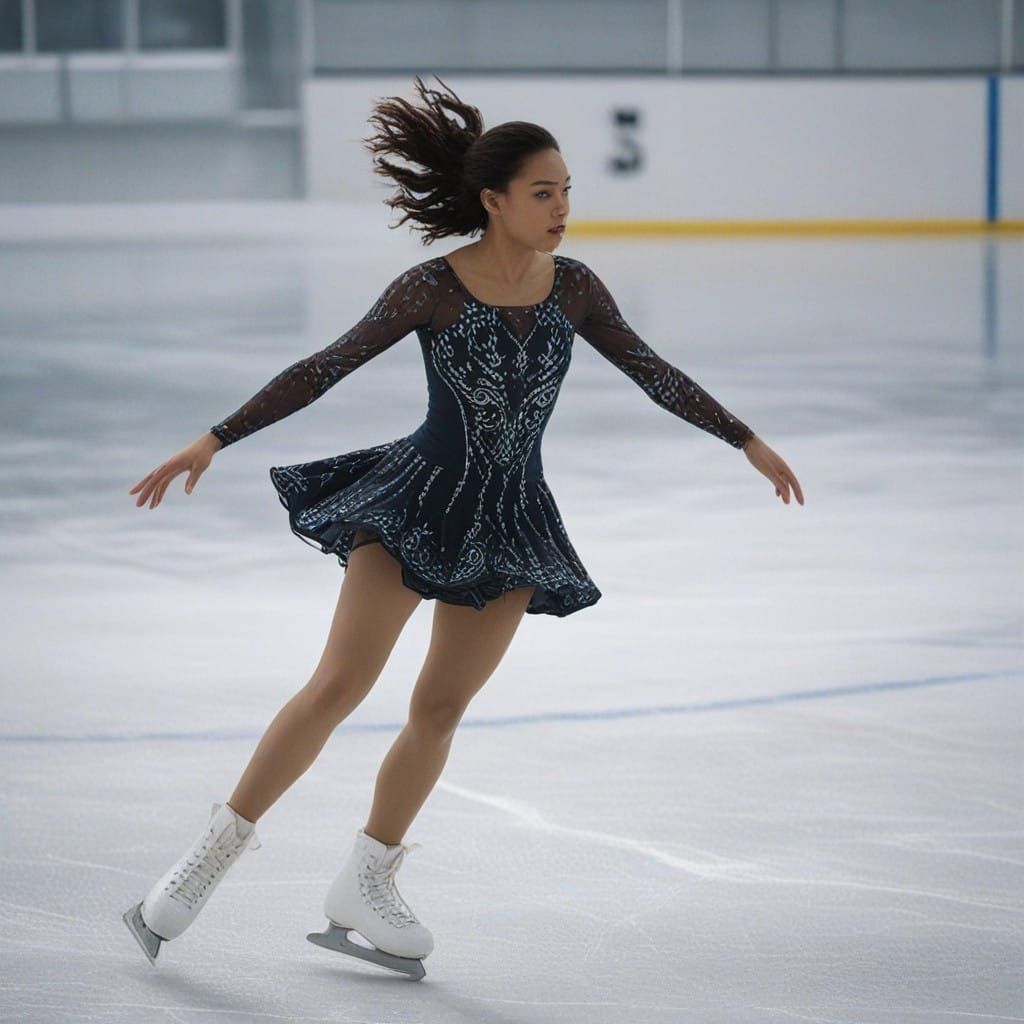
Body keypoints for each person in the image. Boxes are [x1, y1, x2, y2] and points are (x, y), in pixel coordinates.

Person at [122, 74, 804, 979]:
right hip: (417, 503)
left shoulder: (577, 288)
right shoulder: (431, 287)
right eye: (543, 192)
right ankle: (198, 868)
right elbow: (325, 366)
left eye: (567, 191)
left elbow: (654, 371)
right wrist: (213, 439)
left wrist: (743, 439)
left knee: (440, 709)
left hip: (514, 520)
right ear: (494, 201)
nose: (562, 208)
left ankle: (366, 881)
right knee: (336, 688)